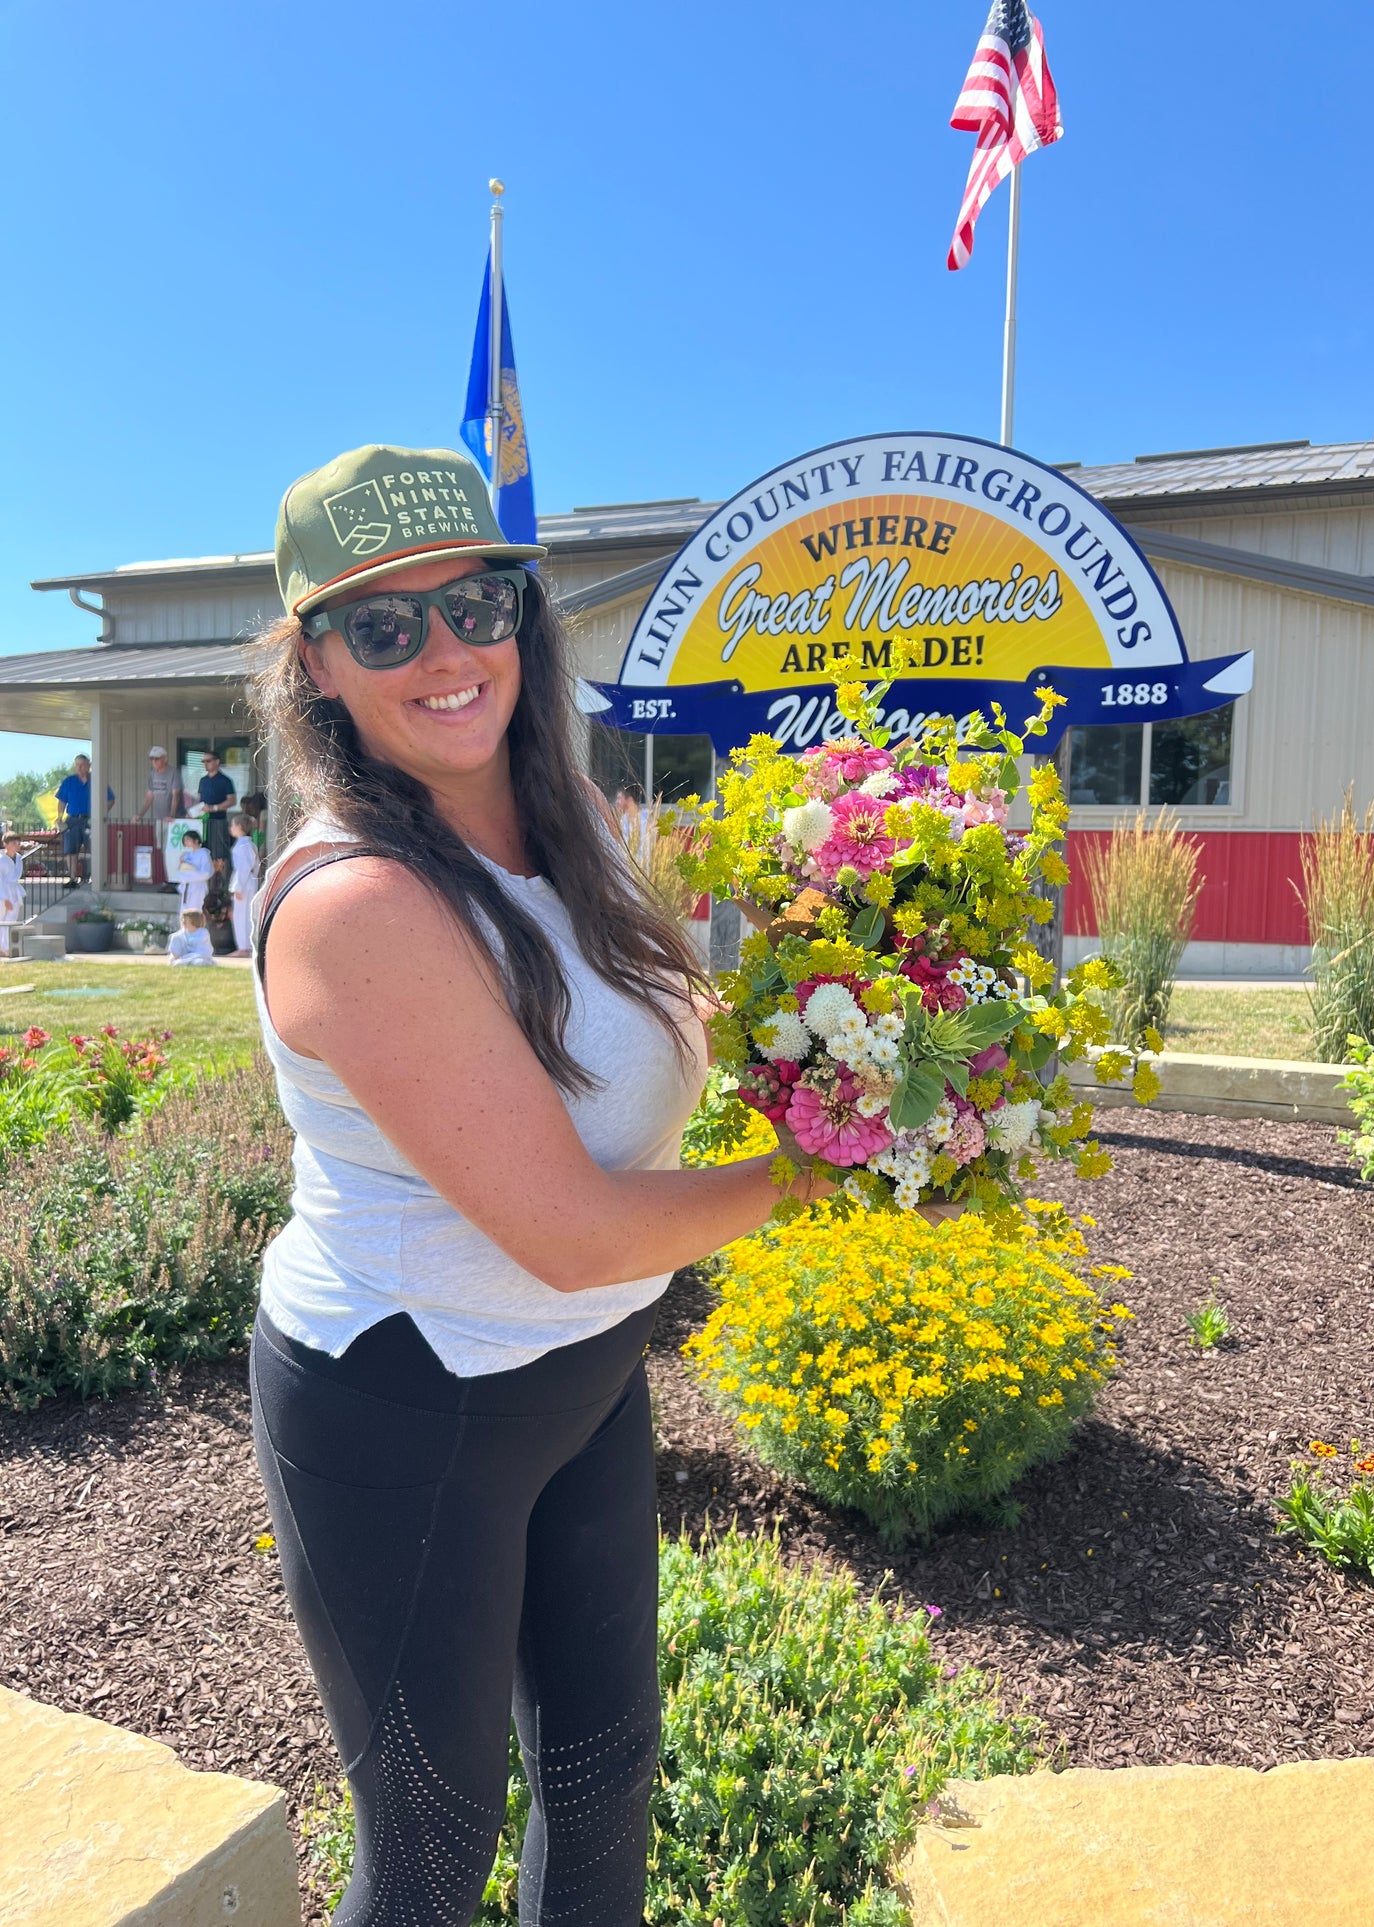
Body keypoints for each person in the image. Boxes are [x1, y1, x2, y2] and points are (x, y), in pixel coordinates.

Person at [247, 443, 831, 1927]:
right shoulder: (361, 902)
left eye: (477, 601)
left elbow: (670, 1030)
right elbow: (567, 1229)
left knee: (605, 1778)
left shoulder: (562, 806)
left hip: (580, 1365)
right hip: (407, 1394)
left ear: (526, 610)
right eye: (384, 624)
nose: (447, 651)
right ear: (317, 658)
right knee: (432, 1860)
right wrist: (835, 1169)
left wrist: (857, 1012)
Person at [54, 754, 114, 885]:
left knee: (95, 849)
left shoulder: (97, 780)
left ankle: (96, 878)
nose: (80, 767)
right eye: (77, 765)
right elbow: (62, 801)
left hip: (91, 820)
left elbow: (110, 799)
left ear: (89, 765)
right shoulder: (69, 781)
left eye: (82, 764)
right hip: (73, 820)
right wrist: (59, 817)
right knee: (71, 850)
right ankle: (72, 878)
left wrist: (100, 813)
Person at [228, 813, 260, 957]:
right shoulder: (249, 844)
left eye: (233, 825)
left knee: (241, 915)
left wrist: (238, 887)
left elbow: (243, 869)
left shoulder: (243, 846)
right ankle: (246, 946)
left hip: (245, 882)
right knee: (247, 914)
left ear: (239, 827)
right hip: (250, 881)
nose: (231, 828)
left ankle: (243, 947)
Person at [197, 751, 237, 866]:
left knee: (219, 854)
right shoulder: (203, 781)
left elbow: (232, 800)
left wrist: (214, 808)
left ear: (217, 762)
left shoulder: (225, 780)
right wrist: (193, 811)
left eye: (208, 761)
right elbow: (199, 800)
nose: (205, 764)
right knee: (204, 850)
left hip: (219, 821)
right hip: (203, 822)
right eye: (203, 761)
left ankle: (221, 881)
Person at [0, 830, 30, 956]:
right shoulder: (1, 859)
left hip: (14, 891)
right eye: (14, 843)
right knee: (2, 920)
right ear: (5, 844)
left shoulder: (19, 858)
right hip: (3, 892)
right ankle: (2, 948)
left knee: (11, 920)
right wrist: (4, 898)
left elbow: (16, 876)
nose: (17, 845)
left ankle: (5, 948)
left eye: (18, 843)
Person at [138, 745, 182, 824]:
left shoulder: (174, 773)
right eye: (151, 758)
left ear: (165, 759)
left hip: (174, 820)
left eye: (157, 758)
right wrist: (140, 815)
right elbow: (149, 797)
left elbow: (176, 796)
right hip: (158, 819)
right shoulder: (152, 774)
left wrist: (171, 816)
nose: (153, 761)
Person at [175, 827, 212, 914]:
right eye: (185, 840)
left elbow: (206, 873)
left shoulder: (204, 854)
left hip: (197, 887)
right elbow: (180, 871)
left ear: (196, 840)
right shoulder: (186, 855)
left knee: (195, 911)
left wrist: (190, 874)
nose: (186, 842)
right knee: (184, 912)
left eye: (188, 839)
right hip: (187, 887)